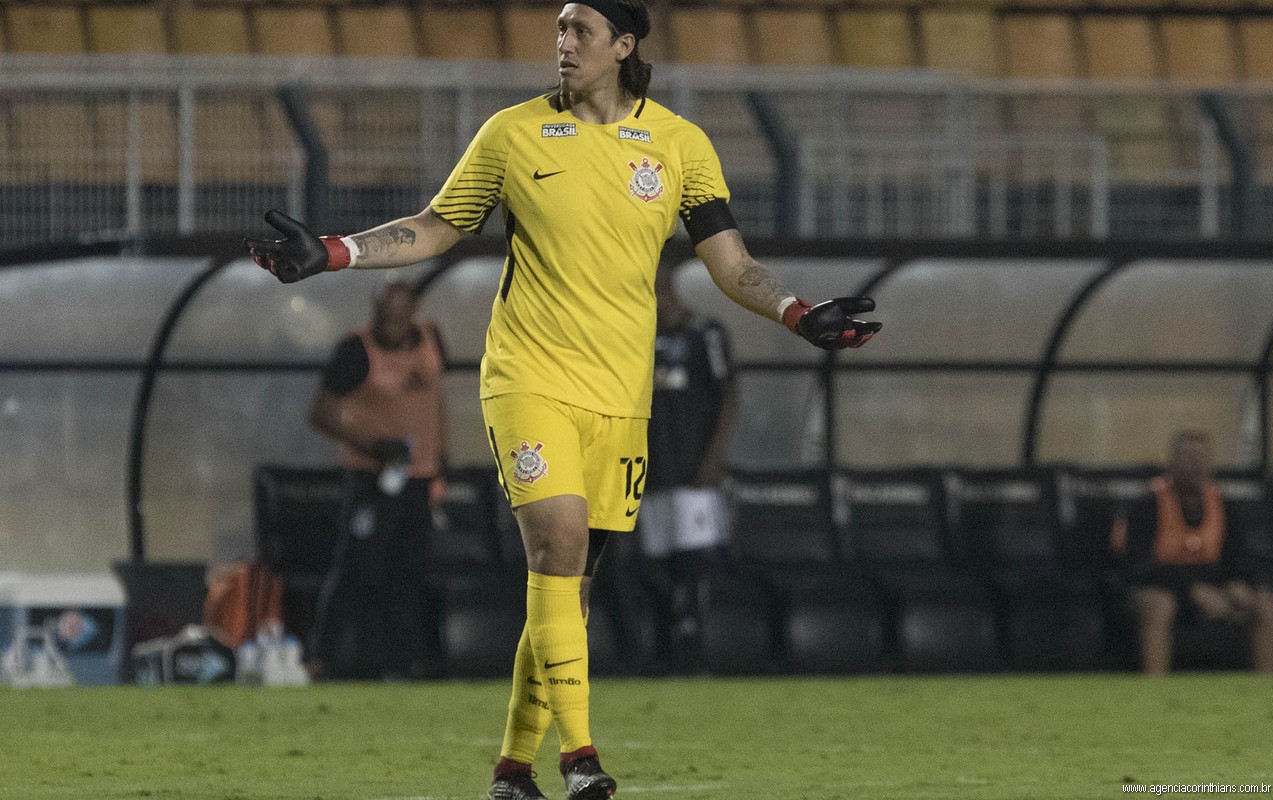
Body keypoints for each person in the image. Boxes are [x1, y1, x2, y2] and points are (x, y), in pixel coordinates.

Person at [245, 2, 879, 796]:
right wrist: (335, 251)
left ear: (624, 44)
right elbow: (438, 226)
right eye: (559, 29)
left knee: (569, 587)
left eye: (580, 30)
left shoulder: (680, 145)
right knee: (558, 543)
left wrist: (797, 310)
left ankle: (514, 771)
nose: (563, 43)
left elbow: (730, 263)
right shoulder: (512, 133)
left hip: (620, 395)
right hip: (529, 377)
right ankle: (582, 760)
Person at [307, 280, 448, 681]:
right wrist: (372, 445)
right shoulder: (355, 351)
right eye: (388, 311)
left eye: (404, 311)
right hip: (371, 477)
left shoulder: (431, 342)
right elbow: (320, 414)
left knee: (410, 571)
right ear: (376, 309)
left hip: (419, 478)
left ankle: (403, 661)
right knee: (358, 565)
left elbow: (436, 403)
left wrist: (441, 465)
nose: (396, 321)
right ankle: (330, 658)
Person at [1112, 430, 1273, 675]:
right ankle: (1155, 687)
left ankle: (1266, 686)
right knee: (1160, 605)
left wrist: (1238, 584)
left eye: (1201, 458)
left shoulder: (1225, 505)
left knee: (1264, 603)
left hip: (1214, 588)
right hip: (1161, 585)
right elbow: (1136, 566)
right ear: (1170, 464)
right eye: (1188, 458)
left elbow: (1239, 557)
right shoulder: (1148, 505)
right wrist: (1191, 591)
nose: (1195, 466)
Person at [639, 256, 736, 670]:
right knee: (656, 566)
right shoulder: (634, 338)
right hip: (652, 476)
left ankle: (698, 653)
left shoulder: (704, 334)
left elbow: (728, 395)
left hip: (693, 473)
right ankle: (665, 653)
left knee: (695, 564)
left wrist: (713, 459)